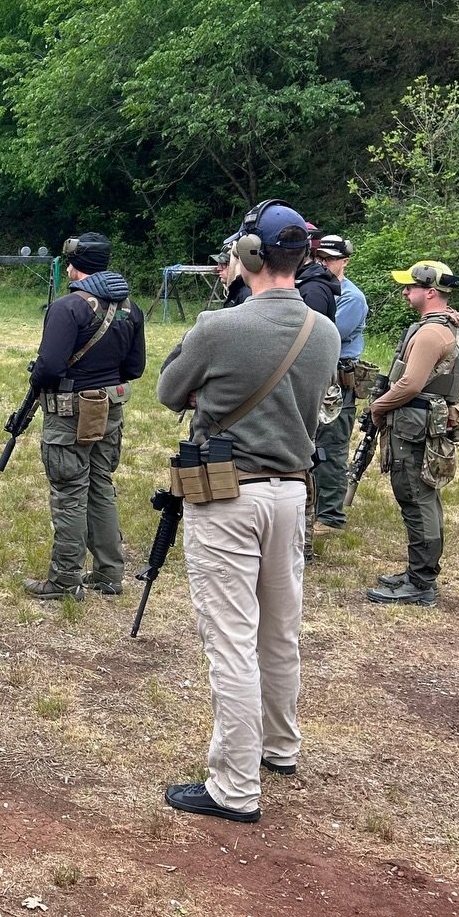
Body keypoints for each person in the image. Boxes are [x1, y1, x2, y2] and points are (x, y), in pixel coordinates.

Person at [156, 202, 339, 822]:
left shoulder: (218, 325)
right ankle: (279, 746)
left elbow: (168, 391)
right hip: (292, 491)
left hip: (229, 495)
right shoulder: (326, 330)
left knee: (230, 639)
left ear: (251, 258)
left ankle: (234, 786)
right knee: (279, 627)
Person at [23, 233, 146, 601]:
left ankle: (65, 579)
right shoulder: (130, 309)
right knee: (101, 487)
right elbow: (135, 367)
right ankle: (109, 573)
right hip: (109, 410)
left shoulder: (68, 308)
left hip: (69, 415)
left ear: (73, 266)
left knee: (69, 494)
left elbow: (48, 367)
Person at [363, 261, 459, 609]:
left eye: (410, 286)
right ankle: (418, 574)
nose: (405, 291)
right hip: (423, 422)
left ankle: (421, 583)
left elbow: (410, 383)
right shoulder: (443, 326)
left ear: (431, 291)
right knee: (423, 497)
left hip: (413, 425)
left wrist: (378, 407)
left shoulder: (429, 333)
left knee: (415, 497)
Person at [311, 235, 369, 529]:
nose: (323, 264)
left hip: (338, 380)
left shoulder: (351, 297)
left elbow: (325, 333)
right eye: (319, 258)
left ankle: (330, 516)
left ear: (344, 261)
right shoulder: (318, 289)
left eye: (329, 260)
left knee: (332, 446)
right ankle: (315, 507)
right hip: (318, 376)